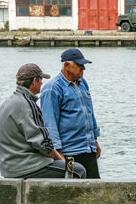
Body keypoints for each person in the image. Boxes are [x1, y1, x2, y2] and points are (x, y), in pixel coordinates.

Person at [0, 63, 86, 178]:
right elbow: (43, 144)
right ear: (34, 81)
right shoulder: (27, 104)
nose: (42, 83)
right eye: (40, 79)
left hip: (8, 167)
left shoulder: (8, 102)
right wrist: (61, 160)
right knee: (78, 170)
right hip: (25, 166)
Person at [40, 48, 101, 179]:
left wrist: (95, 140)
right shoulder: (52, 88)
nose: (83, 68)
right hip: (69, 152)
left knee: (94, 190)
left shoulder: (83, 83)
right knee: (73, 191)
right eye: (79, 65)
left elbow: (89, 112)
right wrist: (59, 153)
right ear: (66, 65)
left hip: (88, 149)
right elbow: (49, 123)